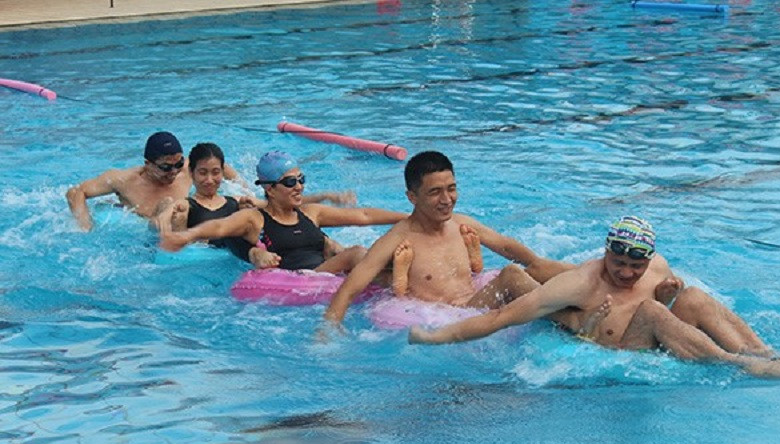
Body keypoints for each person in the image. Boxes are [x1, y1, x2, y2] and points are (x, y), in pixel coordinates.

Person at [409, 215, 780, 378]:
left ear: (648, 260)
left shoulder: (658, 267)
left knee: (693, 296)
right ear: (605, 252)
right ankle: (740, 365)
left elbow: (666, 303)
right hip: (622, 347)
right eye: (618, 263)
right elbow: (501, 318)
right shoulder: (579, 284)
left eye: (636, 266)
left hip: (656, 336)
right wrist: (435, 335)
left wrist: (667, 295)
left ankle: (762, 353)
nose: (626, 273)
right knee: (651, 311)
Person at [322, 151, 569, 327]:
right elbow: (350, 288)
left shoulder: (461, 224)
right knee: (511, 275)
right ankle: (571, 320)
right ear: (412, 197)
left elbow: (506, 246)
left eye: (451, 188)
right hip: (448, 316)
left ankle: (579, 289)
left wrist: (538, 264)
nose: (447, 199)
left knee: (535, 269)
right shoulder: (398, 238)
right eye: (435, 192)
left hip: (476, 301)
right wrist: (327, 332)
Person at [159, 150, 406, 274]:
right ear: (270, 188)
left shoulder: (311, 212)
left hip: (329, 272)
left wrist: (409, 217)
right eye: (290, 182)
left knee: (389, 262)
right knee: (357, 254)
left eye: (301, 179)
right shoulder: (255, 219)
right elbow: (220, 227)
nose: (299, 186)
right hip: (303, 279)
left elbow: (363, 216)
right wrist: (185, 236)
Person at [65, 131, 242, 231]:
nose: (174, 172)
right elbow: (76, 192)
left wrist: (242, 187)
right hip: (146, 230)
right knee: (168, 206)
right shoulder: (124, 180)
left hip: (178, 225)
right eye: (165, 167)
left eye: (178, 164)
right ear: (148, 164)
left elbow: (219, 165)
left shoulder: (188, 168)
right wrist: (85, 227)